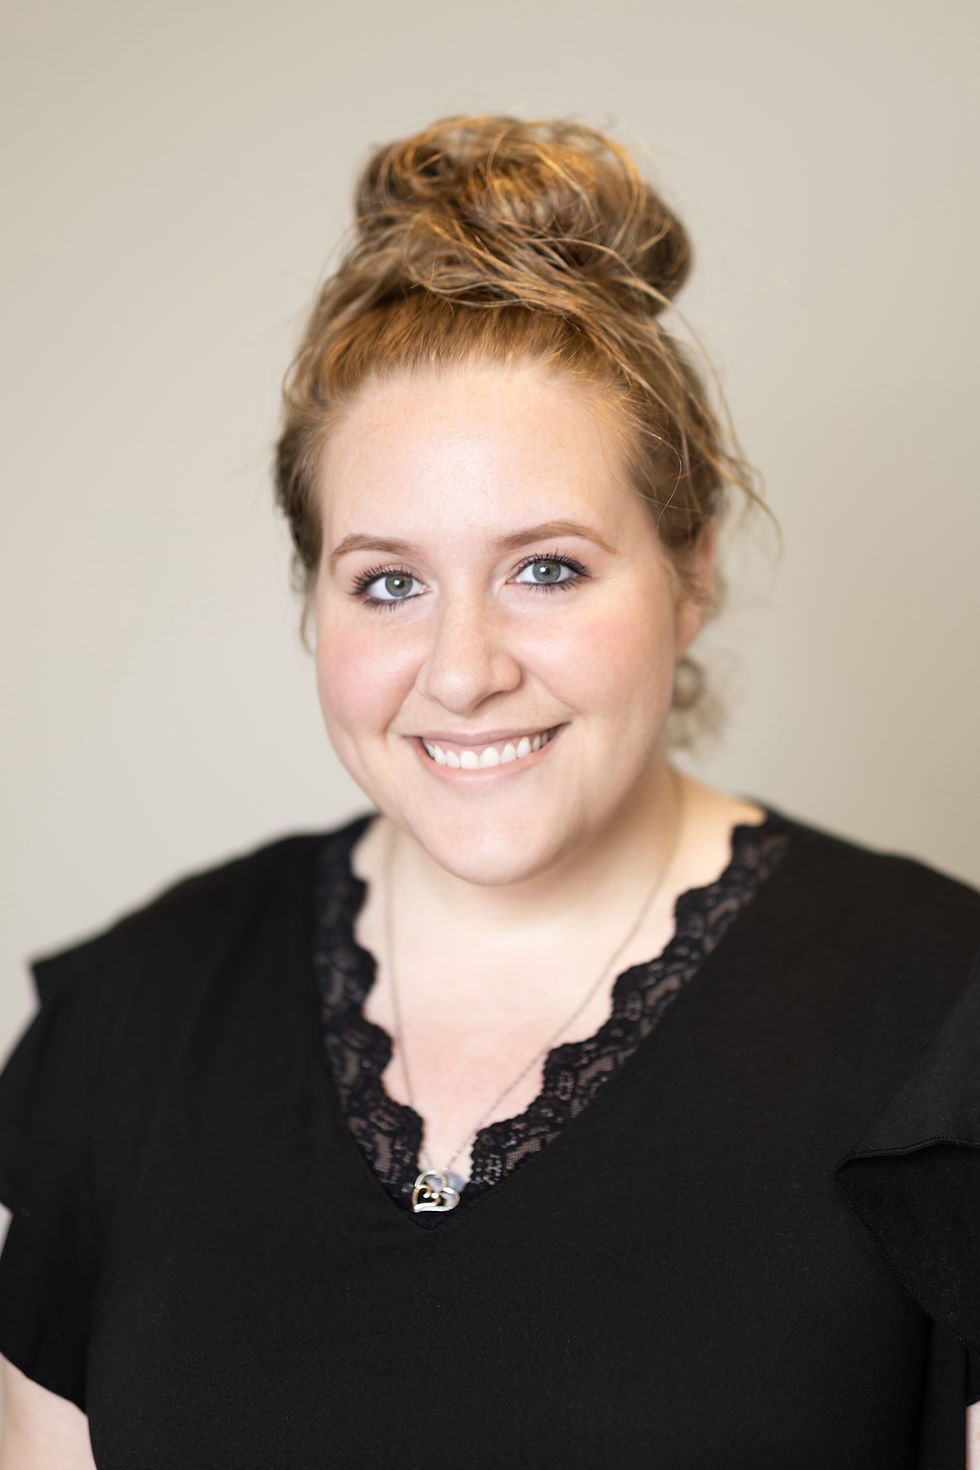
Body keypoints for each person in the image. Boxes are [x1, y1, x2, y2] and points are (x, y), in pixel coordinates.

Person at [0, 114, 977, 1470]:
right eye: (389, 581)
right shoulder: (129, 1024)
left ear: (692, 570)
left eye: (549, 567)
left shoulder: (946, 1011)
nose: (461, 672)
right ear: (314, 597)